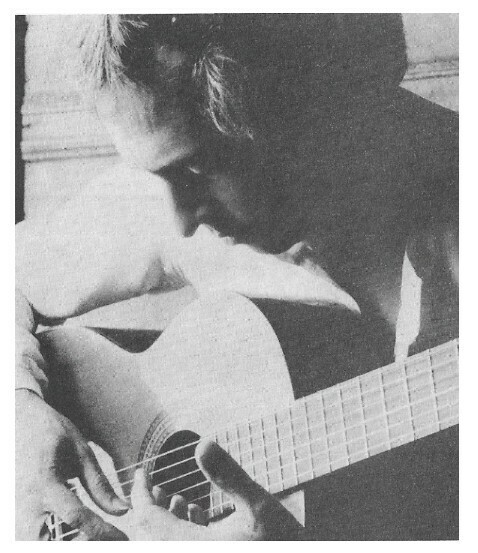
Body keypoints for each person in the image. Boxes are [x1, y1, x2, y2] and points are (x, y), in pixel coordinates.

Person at [16, 14, 458, 540]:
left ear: (303, 112)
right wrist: (18, 410)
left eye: (199, 167)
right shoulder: (177, 197)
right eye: (159, 175)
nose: (179, 220)